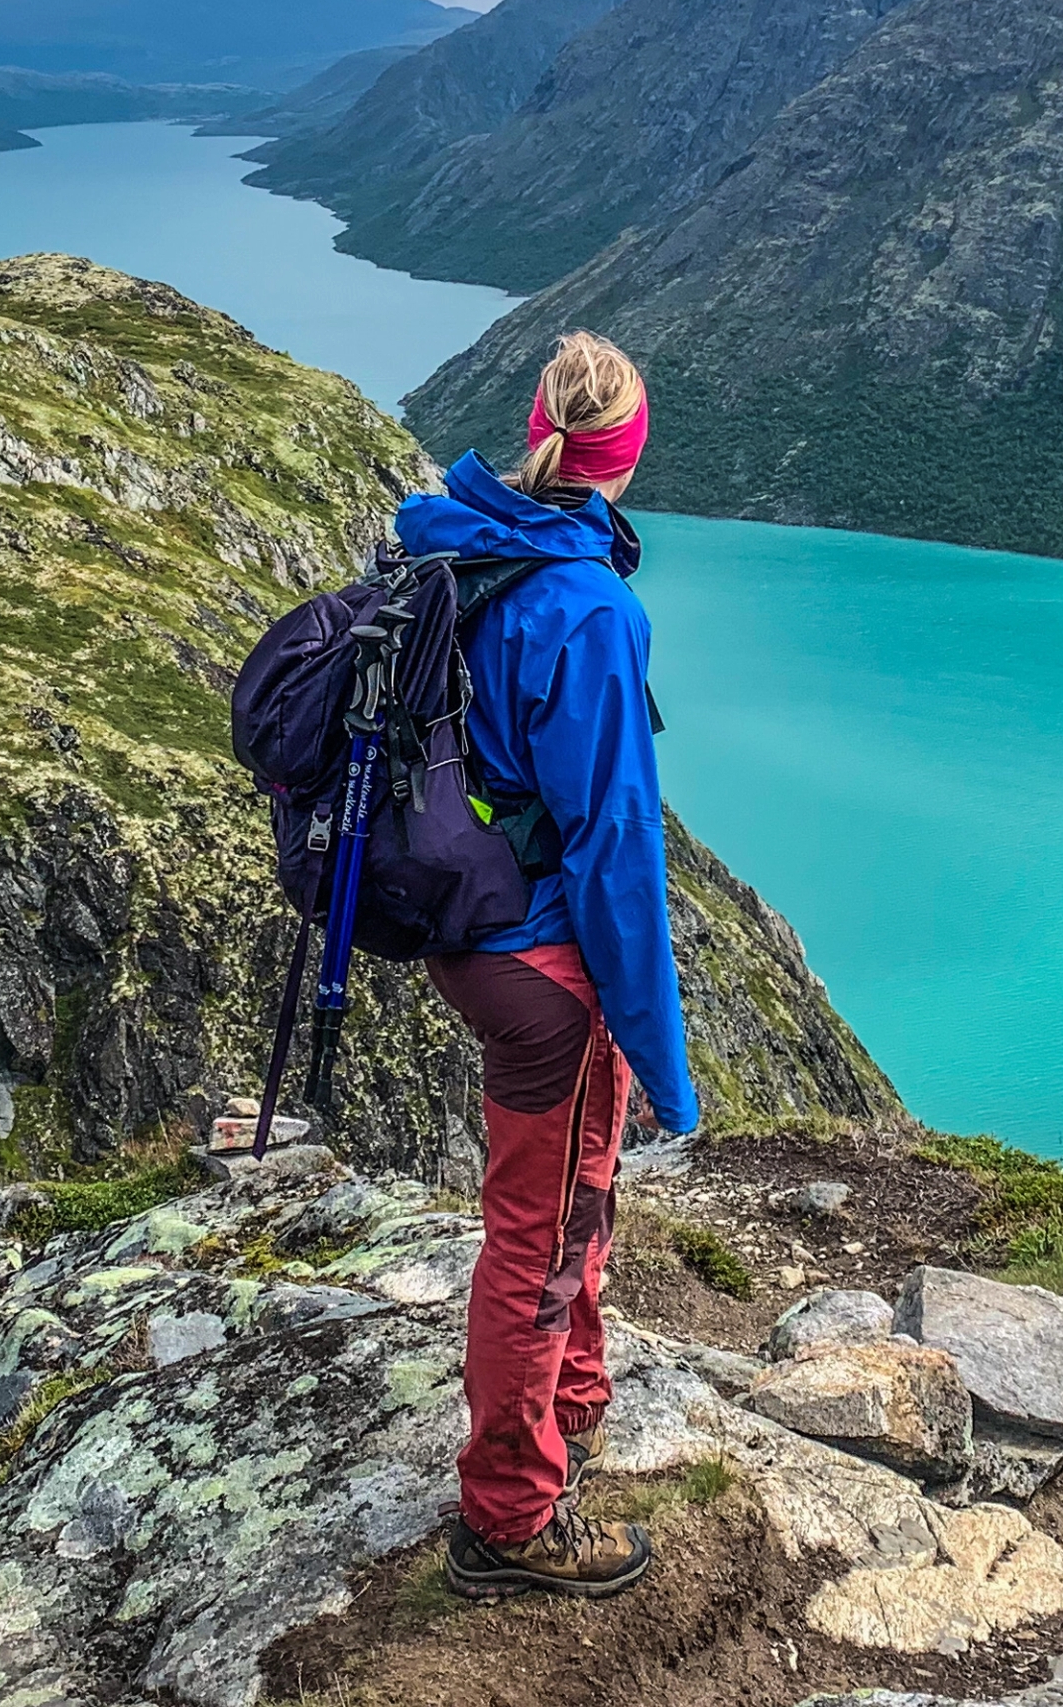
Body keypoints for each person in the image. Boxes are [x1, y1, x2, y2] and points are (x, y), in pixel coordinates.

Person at [389, 331, 700, 1601]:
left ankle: (573, 1398)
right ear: (626, 454)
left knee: (564, 1204)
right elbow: (616, 846)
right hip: (545, 970)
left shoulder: (459, 543)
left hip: (473, 930)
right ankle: (511, 1518)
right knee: (540, 1237)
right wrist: (666, 1060)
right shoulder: (586, 607)